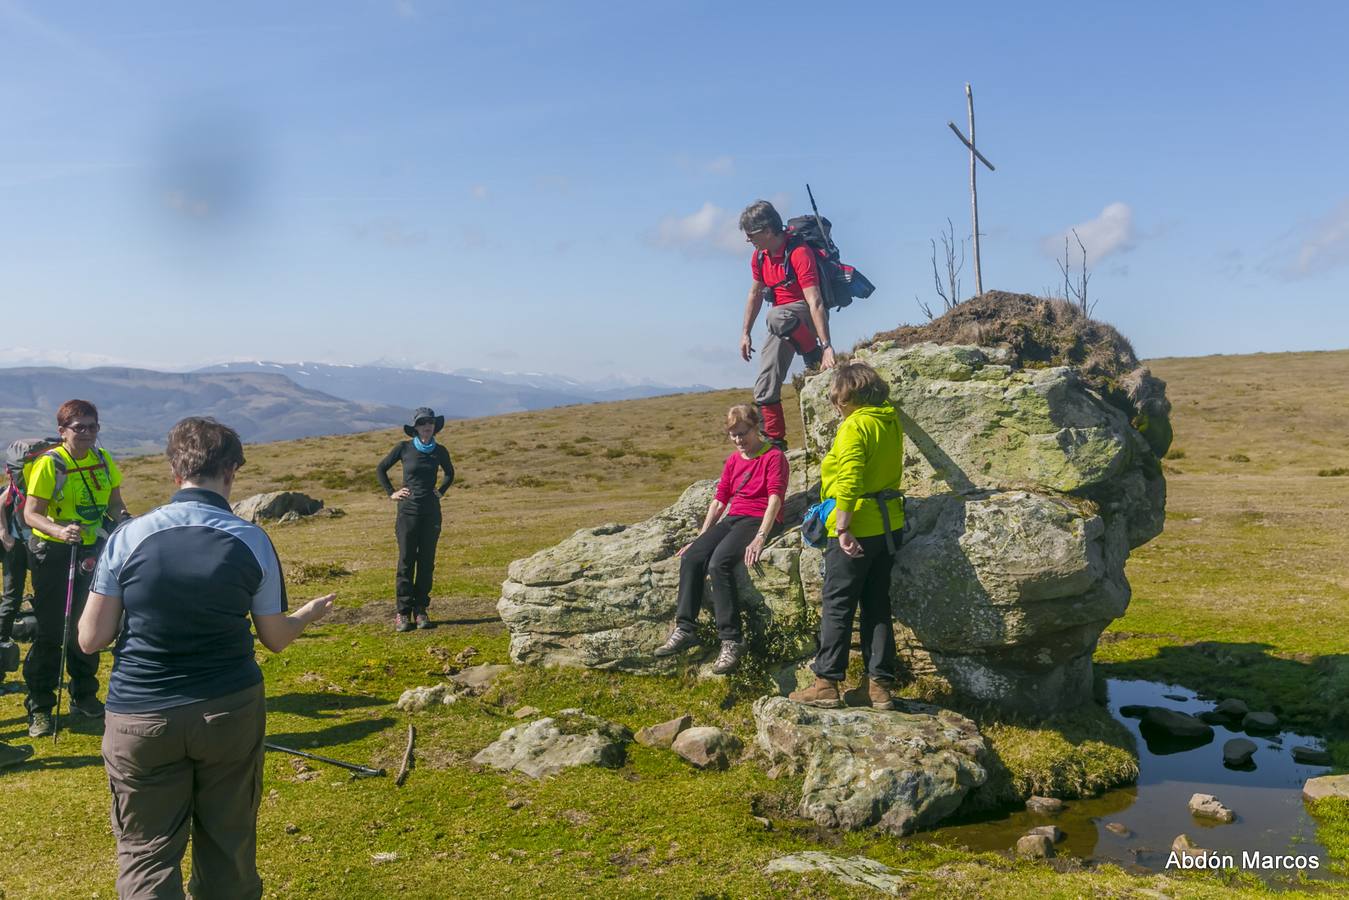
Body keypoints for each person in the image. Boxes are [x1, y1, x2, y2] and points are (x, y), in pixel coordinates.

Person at [78, 416, 334, 900]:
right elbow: (275, 638)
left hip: (140, 712)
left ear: (175, 471)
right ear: (232, 471)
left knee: (146, 852)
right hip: (228, 708)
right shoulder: (252, 539)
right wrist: (306, 614)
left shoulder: (127, 538)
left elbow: (91, 638)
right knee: (228, 843)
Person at [790, 362, 905, 710]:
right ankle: (878, 687)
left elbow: (851, 479)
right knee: (877, 604)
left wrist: (842, 527)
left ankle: (826, 682)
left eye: (838, 398)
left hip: (857, 526)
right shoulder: (889, 419)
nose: (836, 406)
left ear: (852, 395)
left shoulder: (855, 426)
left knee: (838, 605)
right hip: (889, 526)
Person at [653, 404, 789, 674]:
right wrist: (701, 539)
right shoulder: (733, 460)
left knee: (719, 564)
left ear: (756, 427)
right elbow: (719, 500)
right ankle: (685, 628)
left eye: (743, 433)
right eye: (733, 435)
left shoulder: (774, 457)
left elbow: (775, 497)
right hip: (733, 518)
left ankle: (732, 639)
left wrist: (761, 536)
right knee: (693, 557)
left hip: (756, 519)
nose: (739, 440)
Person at [21, 399, 129, 737]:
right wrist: (58, 530)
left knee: (89, 624)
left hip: (91, 550)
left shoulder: (102, 459)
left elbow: (113, 503)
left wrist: (126, 521)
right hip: (53, 553)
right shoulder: (50, 464)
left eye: (91, 426)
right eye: (78, 427)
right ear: (62, 431)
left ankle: (84, 696)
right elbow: (31, 513)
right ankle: (39, 706)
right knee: (52, 630)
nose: (85, 433)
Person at [739, 199, 837, 451]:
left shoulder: (799, 253)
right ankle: (775, 444)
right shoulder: (760, 256)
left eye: (751, 234)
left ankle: (812, 351)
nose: (748, 240)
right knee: (764, 384)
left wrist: (826, 346)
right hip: (782, 321)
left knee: (775, 317)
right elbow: (755, 294)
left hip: (805, 313)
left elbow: (814, 300)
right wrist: (745, 333)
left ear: (768, 230)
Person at [376, 407, 455, 632]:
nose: (426, 426)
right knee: (406, 560)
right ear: (415, 428)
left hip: (431, 512)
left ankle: (420, 610)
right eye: (422, 423)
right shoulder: (404, 448)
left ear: (434, 426)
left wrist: (440, 491)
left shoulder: (440, 451)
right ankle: (402, 612)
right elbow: (381, 469)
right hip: (407, 512)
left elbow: (450, 473)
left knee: (427, 561)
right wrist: (392, 492)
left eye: (430, 422)